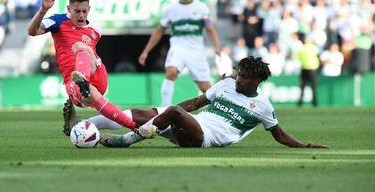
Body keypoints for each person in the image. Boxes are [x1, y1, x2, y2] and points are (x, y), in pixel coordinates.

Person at [98, 57, 328, 149]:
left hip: (203, 138)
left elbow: (279, 135)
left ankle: (126, 140)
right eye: (238, 74)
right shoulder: (226, 84)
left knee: (173, 111)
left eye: (244, 77)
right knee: (142, 112)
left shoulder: (263, 106)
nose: (238, 79)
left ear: (256, 81)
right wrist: (165, 114)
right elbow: (196, 103)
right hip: (191, 123)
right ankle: (87, 124)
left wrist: (305, 146)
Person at [27, 0, 137, 135]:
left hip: (97, 74)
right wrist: (43, 10)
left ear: (89, 9)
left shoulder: (95, 30)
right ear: (68, 9)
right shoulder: (57, 20)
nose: (81, 15)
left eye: (84, 11)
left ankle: (83, 81)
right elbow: (32, 31)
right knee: (112, 117)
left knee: (81, 47)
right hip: (73, 83)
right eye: (77, 11)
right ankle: (135, 128)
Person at [138, 0, 220, 106]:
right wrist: (145, 51)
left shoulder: (201, 8)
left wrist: (216, 46)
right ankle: (164, 109)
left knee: (205, 88)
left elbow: (210, 29)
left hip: (195, 50)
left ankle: (219, 109)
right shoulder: (170, 9)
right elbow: (159, 31)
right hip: (178, 48)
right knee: (171, 73)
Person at [297, 35, 320, 107]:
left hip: (304, 68)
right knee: (313, 87)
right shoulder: (315, 48)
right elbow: (318, 56)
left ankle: (300, 102)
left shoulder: (302, 48)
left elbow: (298, 57)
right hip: (312, 69)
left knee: (302, 86)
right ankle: (315, 103)